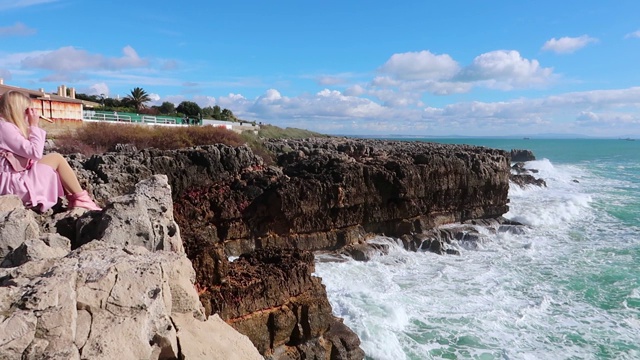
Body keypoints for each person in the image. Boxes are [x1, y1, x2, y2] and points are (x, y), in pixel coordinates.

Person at [0, 90, 101, 211]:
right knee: (56, 159)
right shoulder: (4, 127)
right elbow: (35, 153)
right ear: (17, 109)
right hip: (13, 187)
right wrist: (34, 125)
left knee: (53, 161)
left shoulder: (6, 126)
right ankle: (81, 200)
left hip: (12, 182)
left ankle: (77, 199)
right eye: (27, 110)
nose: (29, 114)